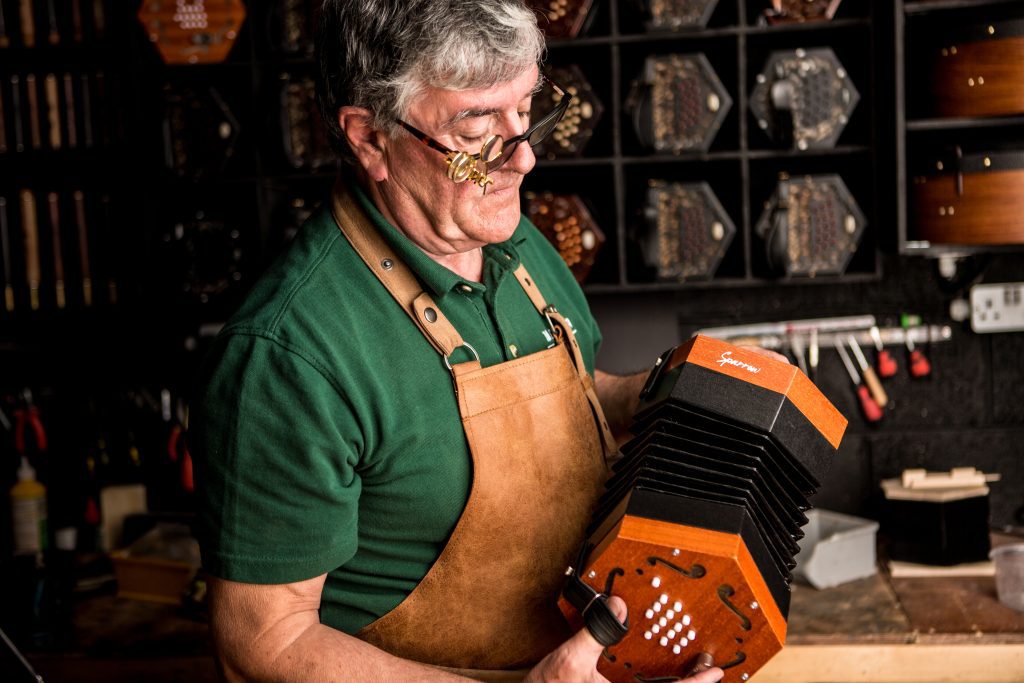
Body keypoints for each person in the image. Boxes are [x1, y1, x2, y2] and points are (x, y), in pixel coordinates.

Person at [191, 1, 726, 680]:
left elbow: (568, 401)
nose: (524, 159)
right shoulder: (287, 356)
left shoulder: (511, 239)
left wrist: (665, 391)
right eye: (477, 128)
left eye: (528, 108)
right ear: (370, 138)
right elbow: (262, 646)